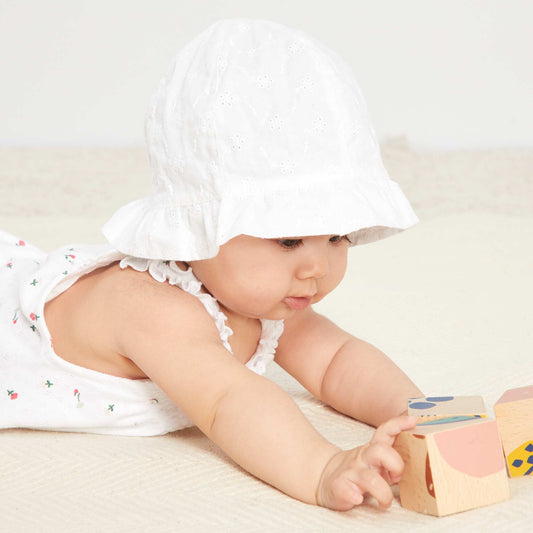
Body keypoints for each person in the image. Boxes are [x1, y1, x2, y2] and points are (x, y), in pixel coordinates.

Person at [0, 19, 423, 511]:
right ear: (200, 231)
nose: (317, 268)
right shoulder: (153, 306)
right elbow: (229, 402)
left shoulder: (260, 296)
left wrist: (421, 415)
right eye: (288, 240)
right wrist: (324, 466)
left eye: (337, 237)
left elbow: (336, 361)